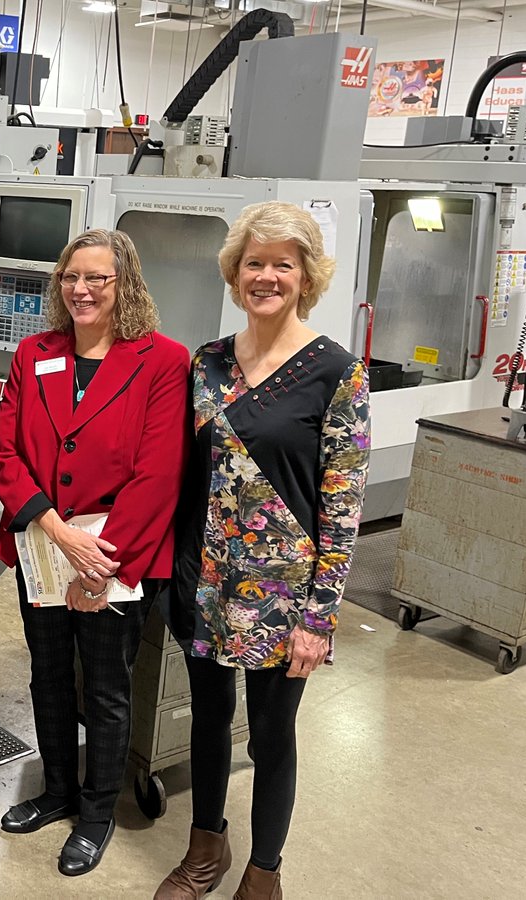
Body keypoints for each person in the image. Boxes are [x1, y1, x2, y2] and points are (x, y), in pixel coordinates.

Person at [154, 202, 369, 900]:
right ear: (234, 272)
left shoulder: (338, 373)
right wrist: (170, 576)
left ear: (307, 275)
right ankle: (204, 849)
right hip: (205, 585)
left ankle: (264, 872)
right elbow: (185, 475)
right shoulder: (209, 363)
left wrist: (319, 617)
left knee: (272, 736)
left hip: (283, 599)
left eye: (283, 262)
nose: (267, 275)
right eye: (254, 262)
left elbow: (341, 507)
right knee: (209, 722)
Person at [0, 228, 190, 876]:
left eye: (96, 278)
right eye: (71, 277)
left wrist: (101, 564)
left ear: (123, 284)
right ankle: (55, 791)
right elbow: (6, 451)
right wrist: (58, 531)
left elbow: (159, 473)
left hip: (118, 560)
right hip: (45, 551)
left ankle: (97, 812)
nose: (80, 289)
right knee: (46, 675)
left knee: (105, 688)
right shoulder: (35, 354)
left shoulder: (162, 361)